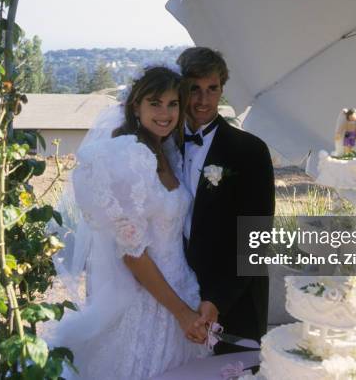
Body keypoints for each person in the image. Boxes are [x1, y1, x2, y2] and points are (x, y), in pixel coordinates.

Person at [47, 67, 207, 380]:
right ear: (136, 107)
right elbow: (133, 254)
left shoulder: (167, 152)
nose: (165, 113)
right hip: (149, 301)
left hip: (183, 287)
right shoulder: (126, 157)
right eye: (155, 103)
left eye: (173, 104)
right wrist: (181, 313)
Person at [176, 47, 275, 354]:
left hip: (234, 300)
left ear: (222, 89)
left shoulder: (250, 150)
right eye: (194, 89)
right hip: (176, 296)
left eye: (213, 89)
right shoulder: (163, 146)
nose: (204, 101)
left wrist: (217, 299)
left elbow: (256, 239)